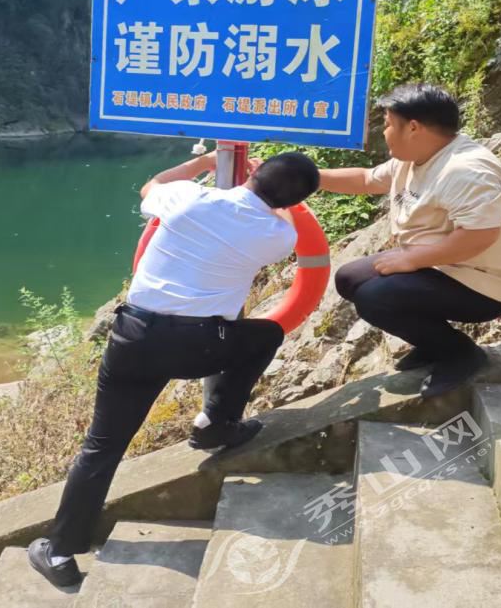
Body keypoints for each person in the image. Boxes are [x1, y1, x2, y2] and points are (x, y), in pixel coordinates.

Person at [28, 150, 321, 588]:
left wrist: (204, 164)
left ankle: (60, 552)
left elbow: (150, 186)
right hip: (202, 348)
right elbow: (284, 217)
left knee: (102, 446)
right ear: (293, 201)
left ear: (256, 171)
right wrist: (282, 199)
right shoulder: (278, 235)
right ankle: (216, 424)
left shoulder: (187, 198)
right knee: (264, 334)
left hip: (136, 340)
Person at [319, 84, 501, 399]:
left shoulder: (466, 170)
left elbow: (479, 236)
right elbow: (367, 179)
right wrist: (310, 177)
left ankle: (459, 354)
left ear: (413, 128)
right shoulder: (416, 156)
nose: (385, 133)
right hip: (444, 266)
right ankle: (433, 341)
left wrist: (410, 260)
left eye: (388, 124)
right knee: (349, 278)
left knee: (375, 297)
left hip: (485, 285)